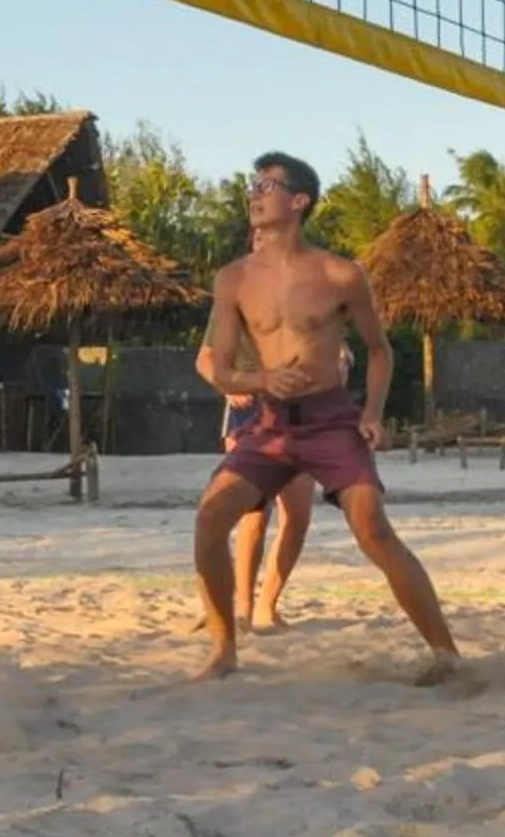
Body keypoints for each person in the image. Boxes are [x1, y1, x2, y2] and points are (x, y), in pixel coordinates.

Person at [191, 152, 460, 682]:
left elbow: (380, 351)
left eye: (267, 184)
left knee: (373, 530)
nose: (254, 192)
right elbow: (220, 369)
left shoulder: (340, 273)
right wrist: (260, 380)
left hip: (331, 419)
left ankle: (447, 655)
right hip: (269, 423)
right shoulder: (233, 279)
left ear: (299, 201)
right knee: (210, 518)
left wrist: (375, 413)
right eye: (253, 183)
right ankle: (224, 653)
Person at [221, 332, 346, 633]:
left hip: (302, 410)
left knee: (297, 516)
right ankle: (243, 608)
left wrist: (339, 358)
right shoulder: (241, 299)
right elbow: (210, 358)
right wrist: (226, 384)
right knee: (255, 515)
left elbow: (338, 350)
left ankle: (267, 605)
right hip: (251, 407)